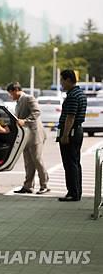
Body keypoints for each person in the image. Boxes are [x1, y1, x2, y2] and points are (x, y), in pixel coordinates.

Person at [7, 82, 50, 194]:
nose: (10, 96)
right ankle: (28, 186)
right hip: (25, 136)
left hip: (35, 135)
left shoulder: (28, 98)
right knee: (28, 162)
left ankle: (44, 185)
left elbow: (36, 112)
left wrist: (25, 121)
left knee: (37, 159)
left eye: (11, 93)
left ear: (16, 90)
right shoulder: (18, 102)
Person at [57, 69, 87, 202]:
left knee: (70, 163)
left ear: (68, 80)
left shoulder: (73, 96)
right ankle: (76, 191)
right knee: (75, 163)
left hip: (71, 132)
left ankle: (73, 193)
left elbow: (70, 117)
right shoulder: (79, 93)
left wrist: (65, 135)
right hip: (77, 131)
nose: (61, 83)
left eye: (62, 80)